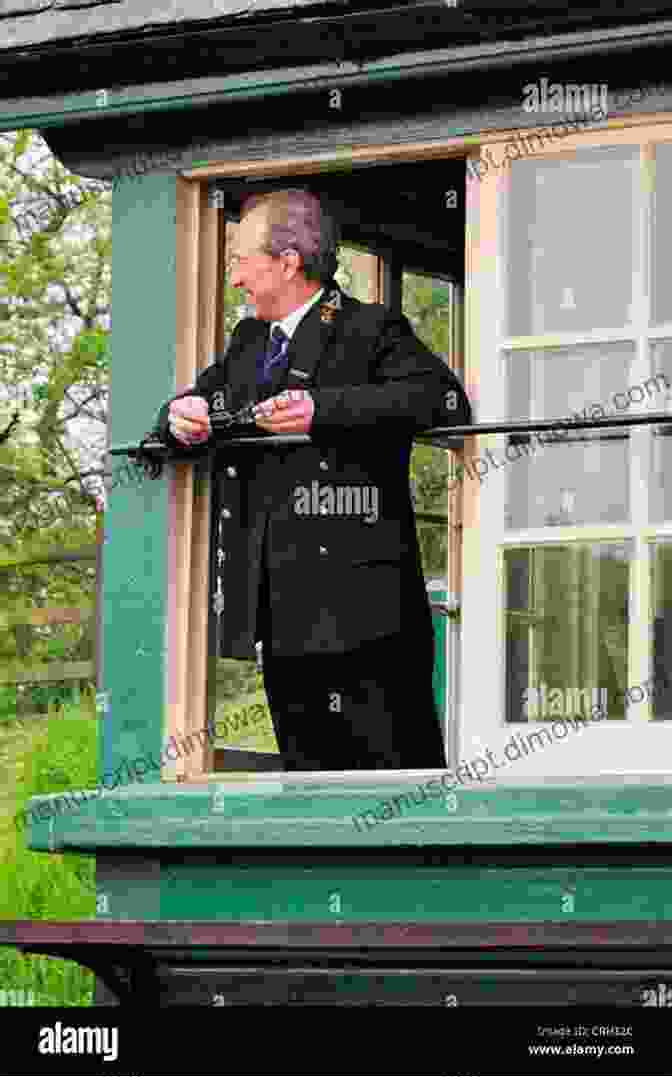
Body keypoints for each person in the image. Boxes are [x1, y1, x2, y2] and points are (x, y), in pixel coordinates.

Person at [154, 188, 472, 770]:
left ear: (287, 261)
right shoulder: (249, 344)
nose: (234, 279)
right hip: (279, 619)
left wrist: (324, 412)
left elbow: (444, 401)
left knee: (400, 786)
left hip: (370, 618)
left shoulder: (371, 327)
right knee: (307, 788)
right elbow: (191, 405)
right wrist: (183, 420)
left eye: (240, 260)